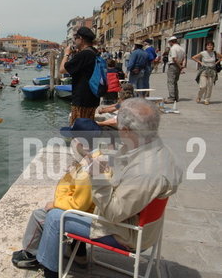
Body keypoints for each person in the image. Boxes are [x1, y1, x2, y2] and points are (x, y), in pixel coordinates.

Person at [34, 98, 183, 277]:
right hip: (137, 221)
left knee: (55, 217)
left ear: (127, 130)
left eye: (119, 129)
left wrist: (95, 174)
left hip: (127, 233)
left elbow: (113, 213)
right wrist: (93, 160)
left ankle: (49, 273)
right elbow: (123, 168)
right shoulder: (154, 148)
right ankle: (76, 255)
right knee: (81, 200)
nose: (118, 133)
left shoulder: (147, 172)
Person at [12, 128, 101, 270]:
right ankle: (79, 253)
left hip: (89, 217)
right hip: (93, 212)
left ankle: (32, 255)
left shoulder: (88, 171)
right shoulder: (95, 159)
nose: (71, 143)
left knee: (39, 216)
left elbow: (79, 205)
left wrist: (56, 203)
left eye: (73, 139)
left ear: (80, 144)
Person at [60, 26, 100, 125]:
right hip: (93, 98)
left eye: (75, 38)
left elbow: (62, 70)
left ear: (81, 39)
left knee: (77, 130)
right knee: (88, 127)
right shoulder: (94, 52)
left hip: (82, 100)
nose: (74, 41)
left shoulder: (83, 55)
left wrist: (66, 54)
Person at [165, 36, 186, 104]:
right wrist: (182, 66)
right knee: (175, 82)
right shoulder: (181, 48)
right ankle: (176, 97)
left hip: (173, 65)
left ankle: (171, 98)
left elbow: (174, 58)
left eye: (169, 42)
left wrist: (180, 66)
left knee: (170, 82)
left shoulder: (173, 48)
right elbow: (184, 58)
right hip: (178, 66)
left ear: (171, 42)